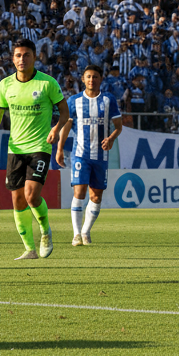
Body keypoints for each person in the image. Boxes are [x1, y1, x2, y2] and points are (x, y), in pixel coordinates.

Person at [0, 39, 69, 261]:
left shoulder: (47, 83)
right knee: (18, 200)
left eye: (26, 55)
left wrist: (56, 129)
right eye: (18, 55)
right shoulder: (6, 85)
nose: (21, 59)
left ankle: (45, 231)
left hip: (40, 146)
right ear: (13, 58)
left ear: (34, 57)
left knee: (31, 195)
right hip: (15, 148)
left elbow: (65, 112)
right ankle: (30, 249)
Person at [55, 65, 122, 247]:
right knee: (80, 191)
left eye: (95, 77)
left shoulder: (109, 100)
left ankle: (86, 231)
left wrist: (111, 138)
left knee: (96, 196)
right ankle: (76, 234)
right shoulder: (74, 101)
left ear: (101, 79)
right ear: (83, 79)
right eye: (88, 77)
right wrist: (60, 149)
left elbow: (118, 126)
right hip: (80, 154)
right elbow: (66, 127)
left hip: (101, 156)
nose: (92, 80)